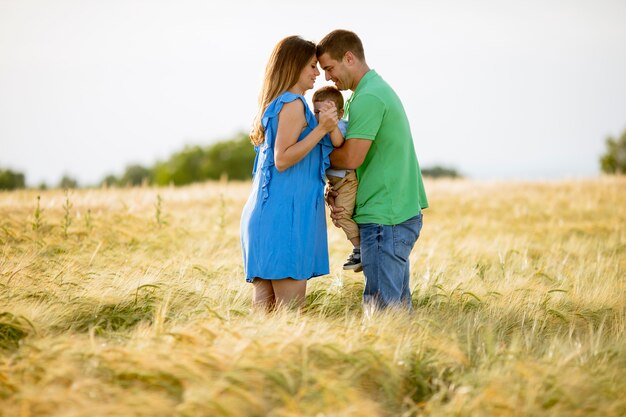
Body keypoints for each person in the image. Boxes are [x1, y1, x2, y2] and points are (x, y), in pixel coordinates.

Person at [316, 29, 429, 310]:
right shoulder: (369, 92)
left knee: (382, 312)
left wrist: (308, 156)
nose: (327, 77)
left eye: (329, 68)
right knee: (397, 309)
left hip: (385, 218)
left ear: (349, 58)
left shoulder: (369, 98)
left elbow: (352, 157)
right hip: (392, 213)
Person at [240, 35, 338, 311]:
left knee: (266, 318)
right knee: (290, 318)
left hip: (268, 217)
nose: (317, 73)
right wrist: (321, 129)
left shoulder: (276, 105)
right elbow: (282, 159)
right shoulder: (294, 104)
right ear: (293, 66)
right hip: (286, 219)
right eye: (311, 66)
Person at [312, 86, 362, 271]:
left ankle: (359, 248)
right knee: (339, 215)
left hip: (347, 180)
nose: (320, 116)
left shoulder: (339, 126)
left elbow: (338, 143)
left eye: (327, 112)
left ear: (339, 113)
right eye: (317, 111)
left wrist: (330, 125)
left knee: (341, 215)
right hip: (334, 182)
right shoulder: (317, 128)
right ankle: (359, 245)